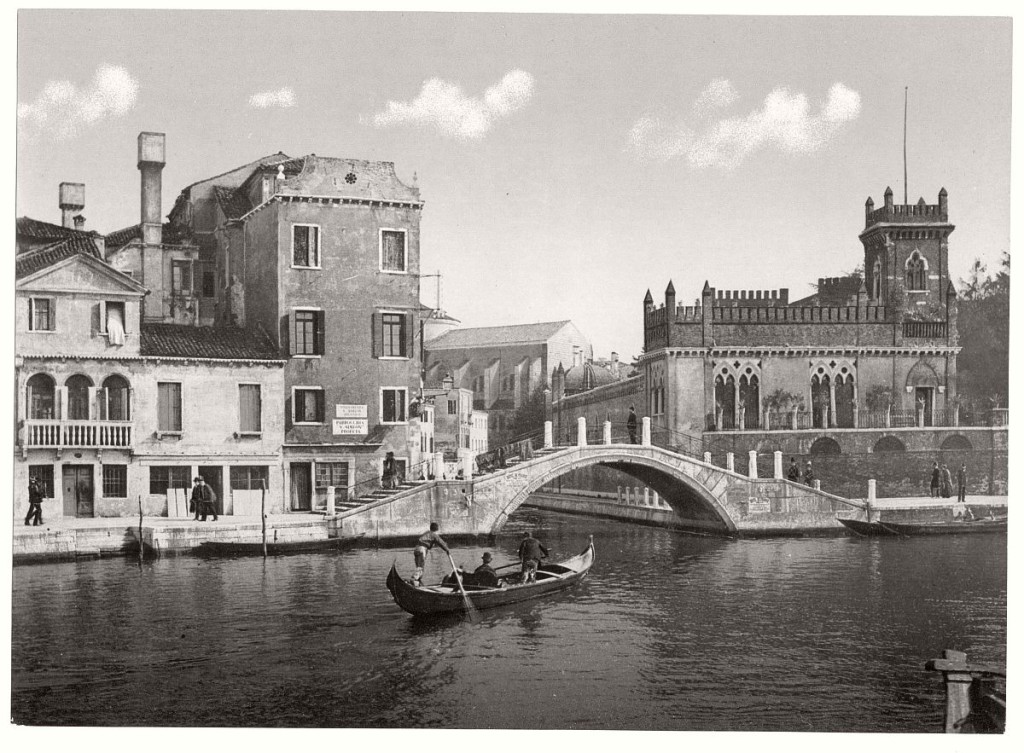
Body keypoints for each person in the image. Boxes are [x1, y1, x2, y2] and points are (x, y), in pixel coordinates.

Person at [412, 522, 450, 586]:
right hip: (422, 549)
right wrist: (447, 550)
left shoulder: (427, 533)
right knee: (421, 566)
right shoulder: (433, 534)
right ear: (436, 529)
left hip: (416, 549)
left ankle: (418, 582)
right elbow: (441, 542)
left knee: (419, 566)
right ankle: (414, 579)